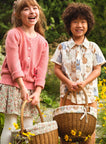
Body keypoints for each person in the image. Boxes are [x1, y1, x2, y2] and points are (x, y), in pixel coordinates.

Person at [51, 2, 106, 144]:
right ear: (69, 25)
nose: (79, 25)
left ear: (88, 24)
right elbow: (56, 69)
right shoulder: (62, 47)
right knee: (66, 131)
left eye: (83, 21)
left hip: (89, 97)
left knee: (89, 132)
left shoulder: (93, 47)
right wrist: (68, 82)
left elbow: (97, 69)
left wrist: (85, 82)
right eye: (75, 21)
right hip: (67, 96)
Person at [0, 0, 49, 143]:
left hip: (32, 89)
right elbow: (13, 63)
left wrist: (37, 92)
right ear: (17, 14)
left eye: (34, 8)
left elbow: (42, 70)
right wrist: (22, 87)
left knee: (28, 127)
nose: (32, 11)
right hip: (13, 85)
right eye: (26, 9)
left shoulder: (42, 42)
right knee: (10, 125)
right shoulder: (13, 34)